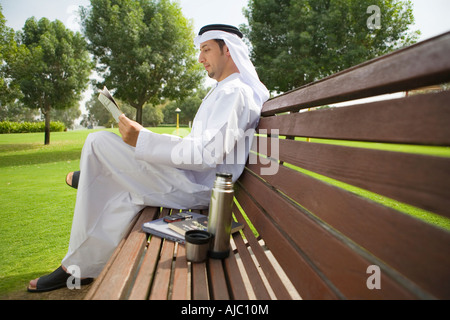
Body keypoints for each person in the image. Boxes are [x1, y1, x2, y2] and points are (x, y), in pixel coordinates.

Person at [27, 24, 269, 292]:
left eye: (206, 50)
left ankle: (98, 179)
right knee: (123, 194)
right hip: (190, 177)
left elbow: (205, 154)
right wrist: (145, 137)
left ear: (229, 50)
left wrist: (142, 138)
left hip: (199, 187)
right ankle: (79, 265)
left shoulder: (235, 92)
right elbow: (200, 146)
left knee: (98, 143)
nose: (200, 58)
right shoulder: (226, 90)